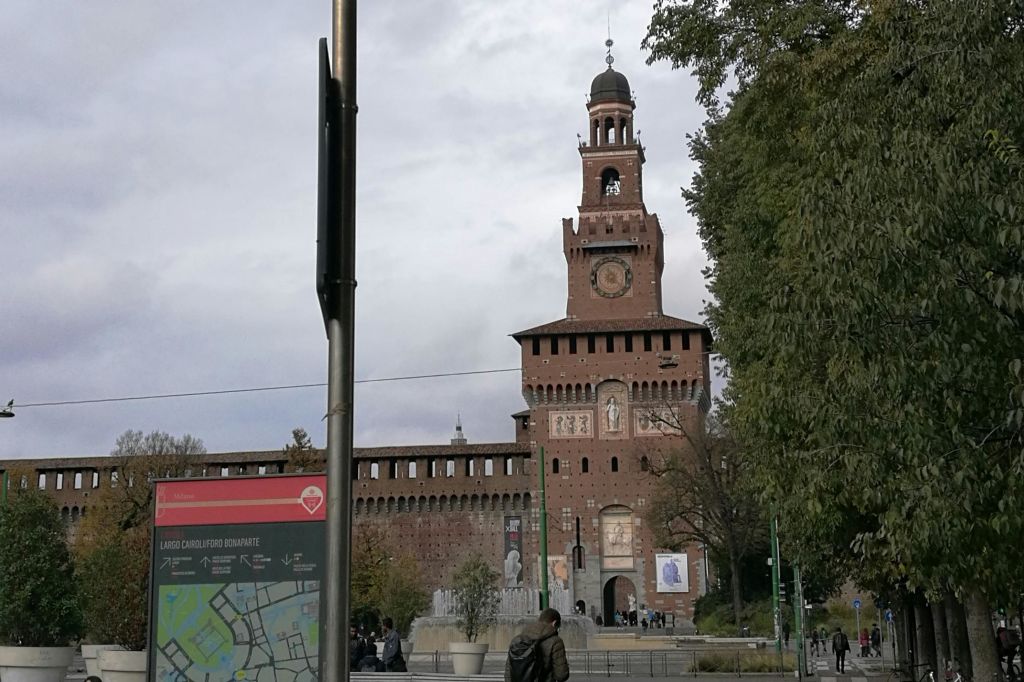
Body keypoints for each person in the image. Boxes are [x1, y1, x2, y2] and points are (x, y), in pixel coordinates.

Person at [505, 607, 570, 682]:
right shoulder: (556, 641)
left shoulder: (520, 638)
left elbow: (508, 671)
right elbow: (561, 675)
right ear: (554, 623)